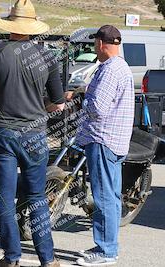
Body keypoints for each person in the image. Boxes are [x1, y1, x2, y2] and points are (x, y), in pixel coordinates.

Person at [0, 1, 65, 266]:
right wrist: (39, 107)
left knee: (4, 197)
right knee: (36, 197)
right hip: (34, 134)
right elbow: (58, 103)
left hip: (3, 133)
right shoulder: (47, 57)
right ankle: (47, 259)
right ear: (33, 28)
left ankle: (11, 258)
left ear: (10, 25)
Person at [76, 25, 134, 266]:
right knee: (110, 196)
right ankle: (107, 245)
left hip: (102, 140)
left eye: (94, 43)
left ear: (101, 43)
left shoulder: (109, 71)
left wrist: (83, 96)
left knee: (103, 198)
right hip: (115, 141)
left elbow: (98, 109)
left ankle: (106, 250)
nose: (94, 48)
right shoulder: (122, 67)